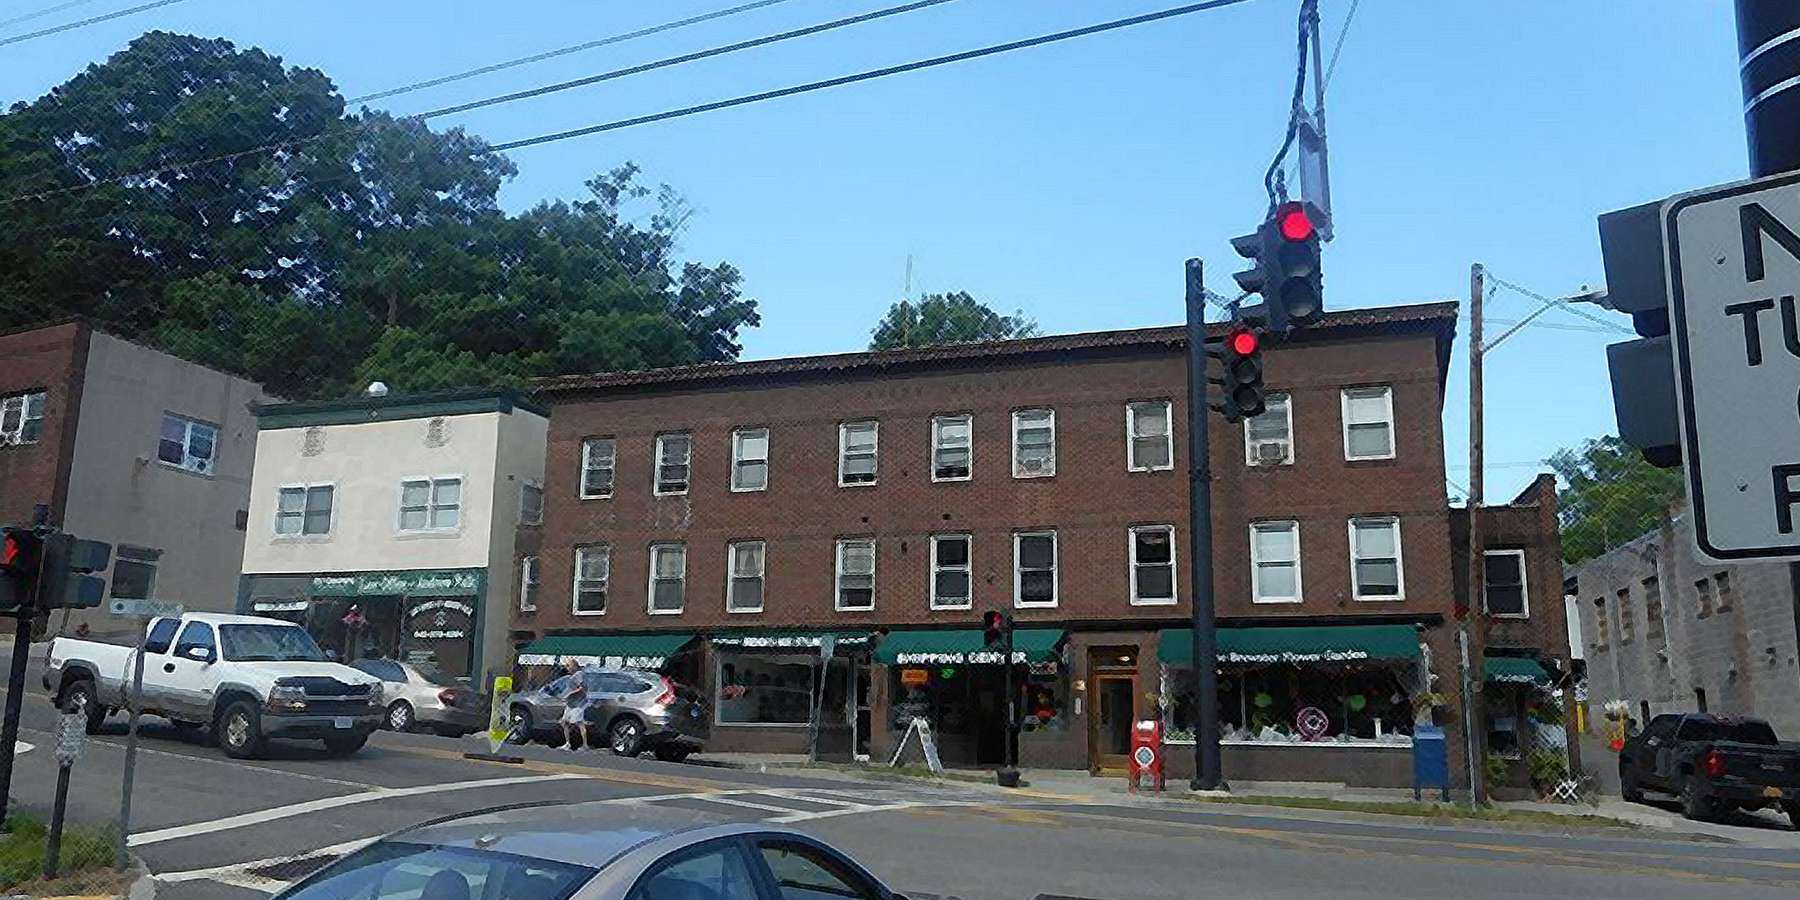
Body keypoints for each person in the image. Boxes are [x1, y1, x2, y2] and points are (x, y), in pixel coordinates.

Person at [560, 672, 591, 750]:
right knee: (564, 722)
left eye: (569, 666)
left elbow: (582, 688)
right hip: (570, 704)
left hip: (578, 704)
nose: (568, 667)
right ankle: (567, 744)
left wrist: (568, 694)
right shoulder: (572, 676)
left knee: (580, 724)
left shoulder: (579, 675)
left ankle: (585, 745)